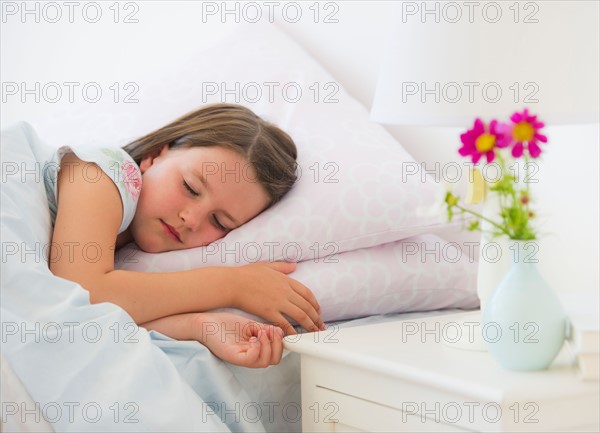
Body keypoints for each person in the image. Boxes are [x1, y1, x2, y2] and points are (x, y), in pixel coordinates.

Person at [45, 103, 324, 368]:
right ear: (154, 155)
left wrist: (198, 326)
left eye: (219, 221)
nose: (190, 219)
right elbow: (80, 296)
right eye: (190, 187)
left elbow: (99, 319)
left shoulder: (120, 245)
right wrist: (234, 285)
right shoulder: (104, 171)